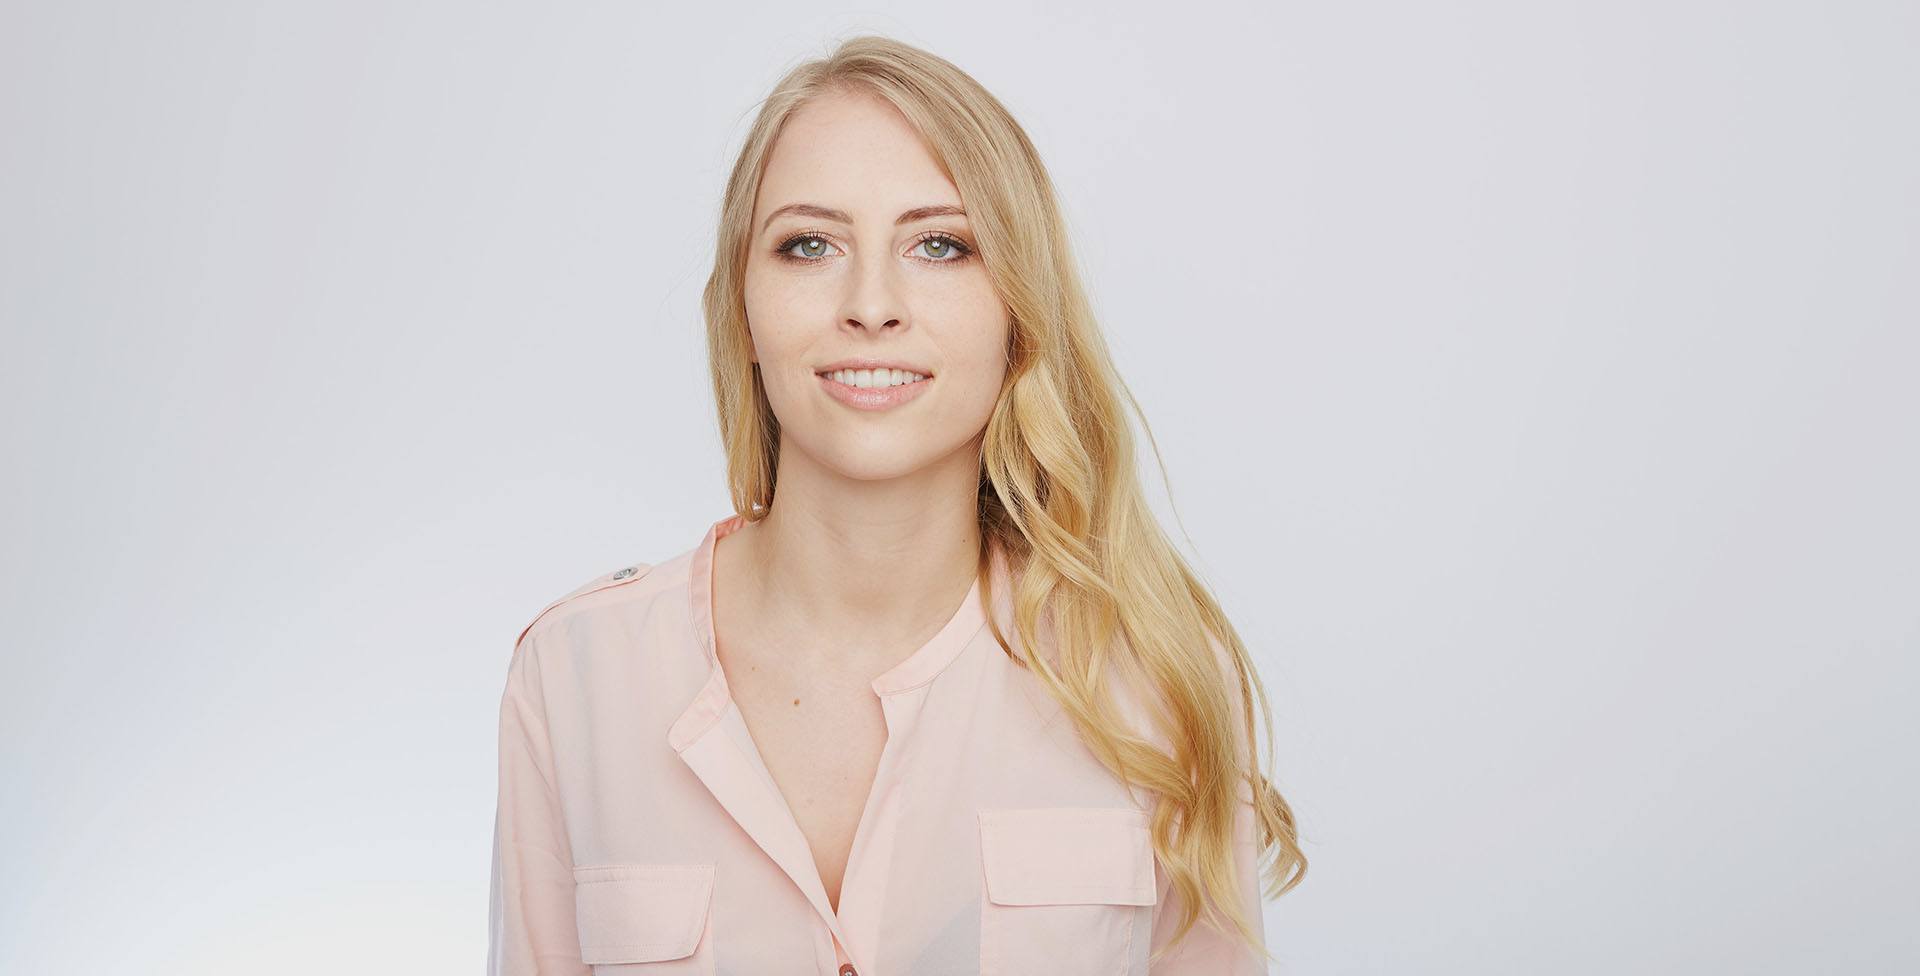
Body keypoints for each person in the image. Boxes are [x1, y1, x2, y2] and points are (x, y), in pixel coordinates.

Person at [488, 34, 1307, 976]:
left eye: (939, 245)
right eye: (808, 245)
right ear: (742, 309)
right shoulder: (573, 674)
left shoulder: (1155, 679)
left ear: (1018, 311)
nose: (871, 304)